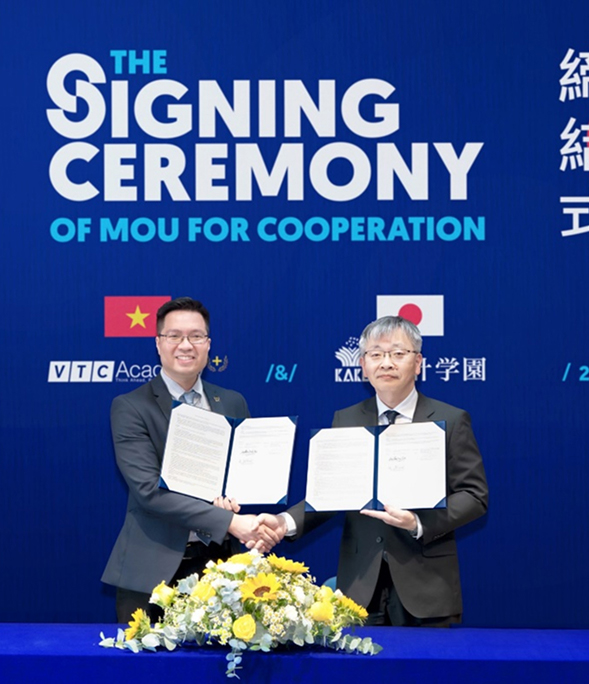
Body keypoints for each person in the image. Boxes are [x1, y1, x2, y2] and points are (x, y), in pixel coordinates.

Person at [257, 315, 488, 626]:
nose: (386, 363)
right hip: (359, 587)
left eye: (398, 353)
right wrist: (283, 522)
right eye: (376, 354)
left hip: (427, 587)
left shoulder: (451, 419)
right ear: (363, 366)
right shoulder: (346, 419)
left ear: (418, 363)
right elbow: (330, 494)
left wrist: (418, 522)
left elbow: (474, 496)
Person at [102, 297, 278, 622]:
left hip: (219, 566)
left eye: (196, 336)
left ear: (208, 344)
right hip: (151, 570)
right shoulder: (130, 407)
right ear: (158, 343)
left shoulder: (232, 402)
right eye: (174, 336)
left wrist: (234, 502)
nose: (186, 345)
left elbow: (242, 477)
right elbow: (148, 491)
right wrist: (230, 522)